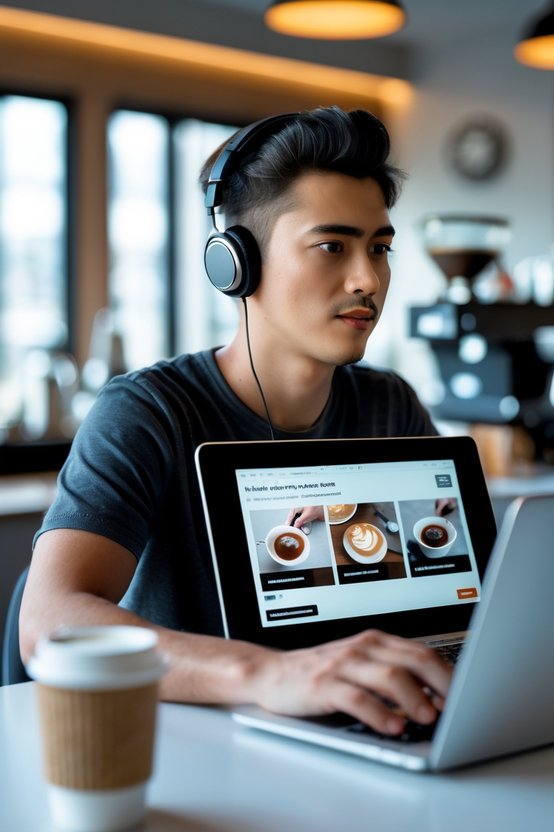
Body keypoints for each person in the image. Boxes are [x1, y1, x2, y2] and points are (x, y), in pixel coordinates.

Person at [21, 107, 451, 737]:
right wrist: (271, 674)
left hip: (377, 713)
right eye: (332, 246)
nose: (369, 280)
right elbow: (49, 620)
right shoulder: (148, 412)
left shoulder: (391, 404)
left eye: (379, 249)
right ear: (237, 265)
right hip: (197, 745)